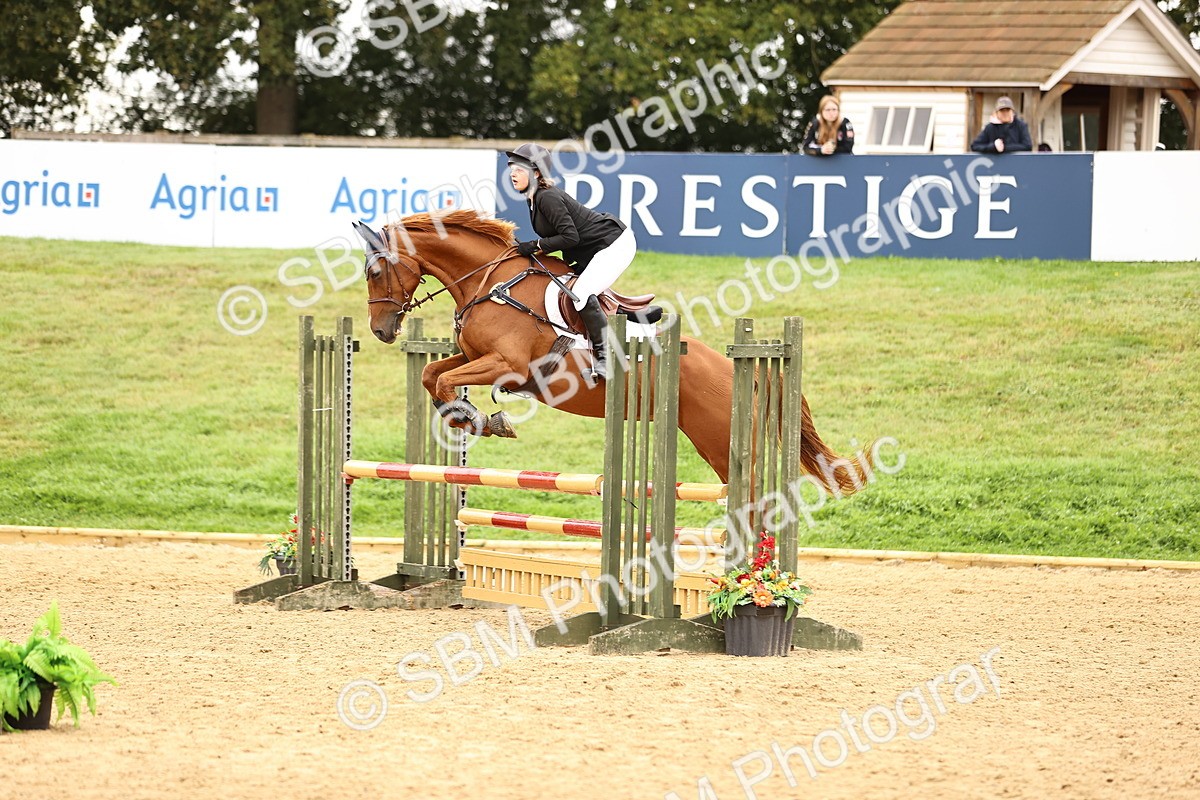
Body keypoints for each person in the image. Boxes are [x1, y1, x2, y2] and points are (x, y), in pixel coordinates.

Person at [506, 142, 636, 379]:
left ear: (536, 172)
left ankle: (606, 358)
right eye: (511, 168)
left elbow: (569, 236)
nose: (513, 173)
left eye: (519, 168)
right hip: (592, 250)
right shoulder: (533, 198)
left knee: (582, 293)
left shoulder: (547, 197)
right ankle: (629, 313)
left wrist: (535, 246)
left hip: (614, 244)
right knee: (568, 284)